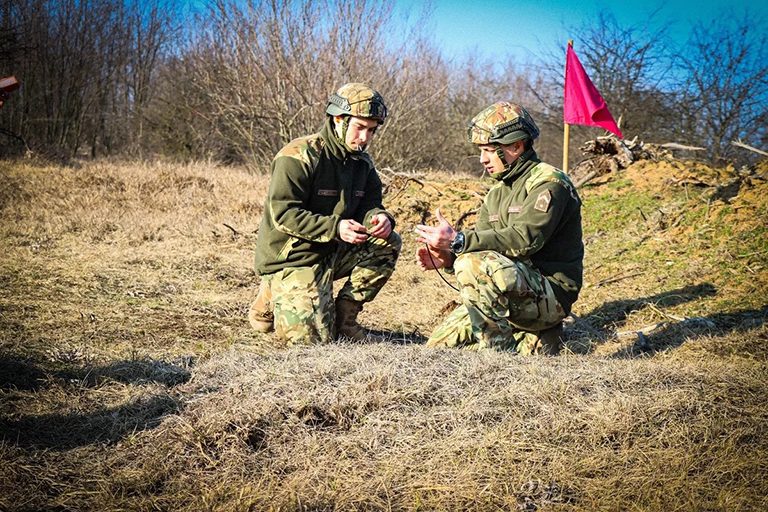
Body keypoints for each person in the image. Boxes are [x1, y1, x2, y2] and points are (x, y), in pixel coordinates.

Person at [414, 102, 583, 354]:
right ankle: (530, 336)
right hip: (510, 290)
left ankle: (499, 359)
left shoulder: (549, 182)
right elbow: (482, 252)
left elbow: (525, 240)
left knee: (471, 266)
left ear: (516, 146)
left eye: (489, 150)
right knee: (437, 349)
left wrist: (458, 240)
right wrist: (447, 259)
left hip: (550, 296)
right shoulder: (497, 192)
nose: (482, 159)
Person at [248, 83, 401, 345]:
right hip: (293, 257)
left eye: (372, 130)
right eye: (360, 127)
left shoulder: (363, 163)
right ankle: (272, 292)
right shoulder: (298, 155)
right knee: (312, 343)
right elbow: (283, 214)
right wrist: (336, 228)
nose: (365, 138)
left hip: (334, 250)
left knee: (388, 242)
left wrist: (380, 218)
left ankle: (346, 320)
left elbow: (371, 204)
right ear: (338, 120)